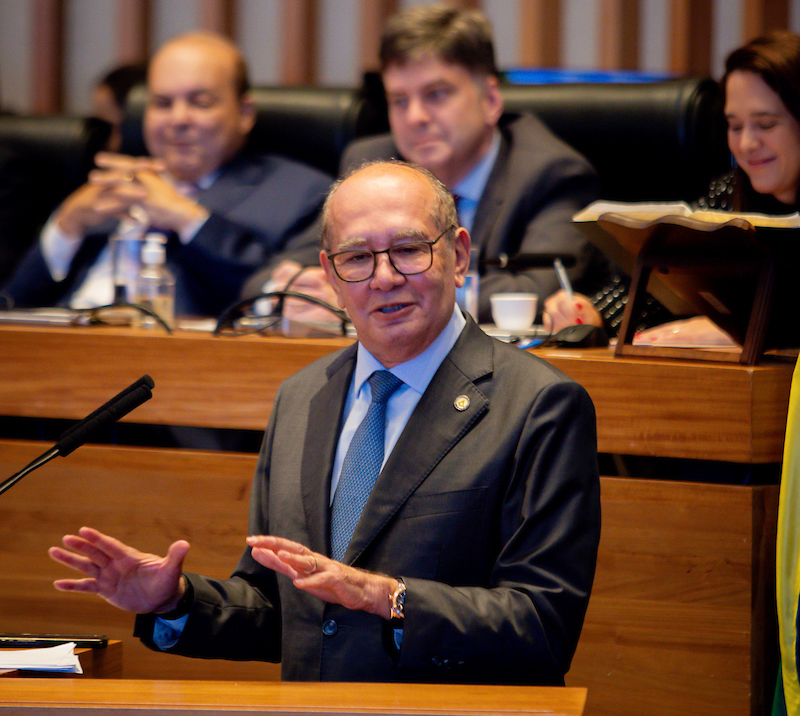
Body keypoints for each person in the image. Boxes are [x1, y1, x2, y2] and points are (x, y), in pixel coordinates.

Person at [49, 161, 601, 685]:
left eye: (408, 250)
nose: (384, 278)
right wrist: (175, 601)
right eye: (357, 258)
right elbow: (283, 608)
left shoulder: (539, 405)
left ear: (458, 256)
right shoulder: (303, 396)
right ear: (330, 276)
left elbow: (542, 626)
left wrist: (388, 597)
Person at [245, 3, 599, 324]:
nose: (414, 117)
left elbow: (537, 291)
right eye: (399, 100)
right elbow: (276, 274)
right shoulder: (372, 167)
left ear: (490, 99)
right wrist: (290, 291)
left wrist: (358, 294)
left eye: (436, 95)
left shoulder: (550, 173)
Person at [2, 31, 330, 319]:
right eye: (162, 103)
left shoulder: (301, 193)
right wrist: (66, 224)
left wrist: (184, 216)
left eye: (200, 103)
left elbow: (275, 296)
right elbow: (14, 306)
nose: (178, 119)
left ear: (244, 113)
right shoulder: (111, 188)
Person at [544, 30, 800, 346]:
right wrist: (592, 314)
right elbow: (658, 287)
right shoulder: (729, 194)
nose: (746, 144)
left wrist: (739, 330)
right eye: (735, 126)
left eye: (766, 125)